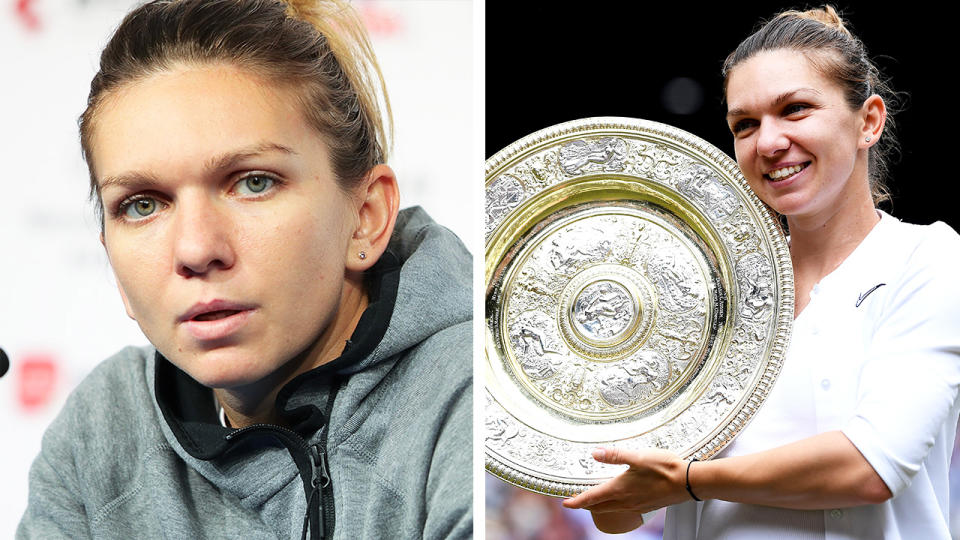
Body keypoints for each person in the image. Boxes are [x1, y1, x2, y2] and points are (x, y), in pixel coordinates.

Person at [16, 1, 472, 539]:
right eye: (143, 204)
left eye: (253, 182)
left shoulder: (470, 395)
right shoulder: (104, 426)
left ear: (365, 219)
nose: (195, 248)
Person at [563, 6, 960, 539]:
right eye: (744, 124)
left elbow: (869, 467)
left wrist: (689, 481)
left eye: (795, 109)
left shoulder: (927, 257)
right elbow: (619, 513)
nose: (767, 143)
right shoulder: (702, 291)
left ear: (868, 120)